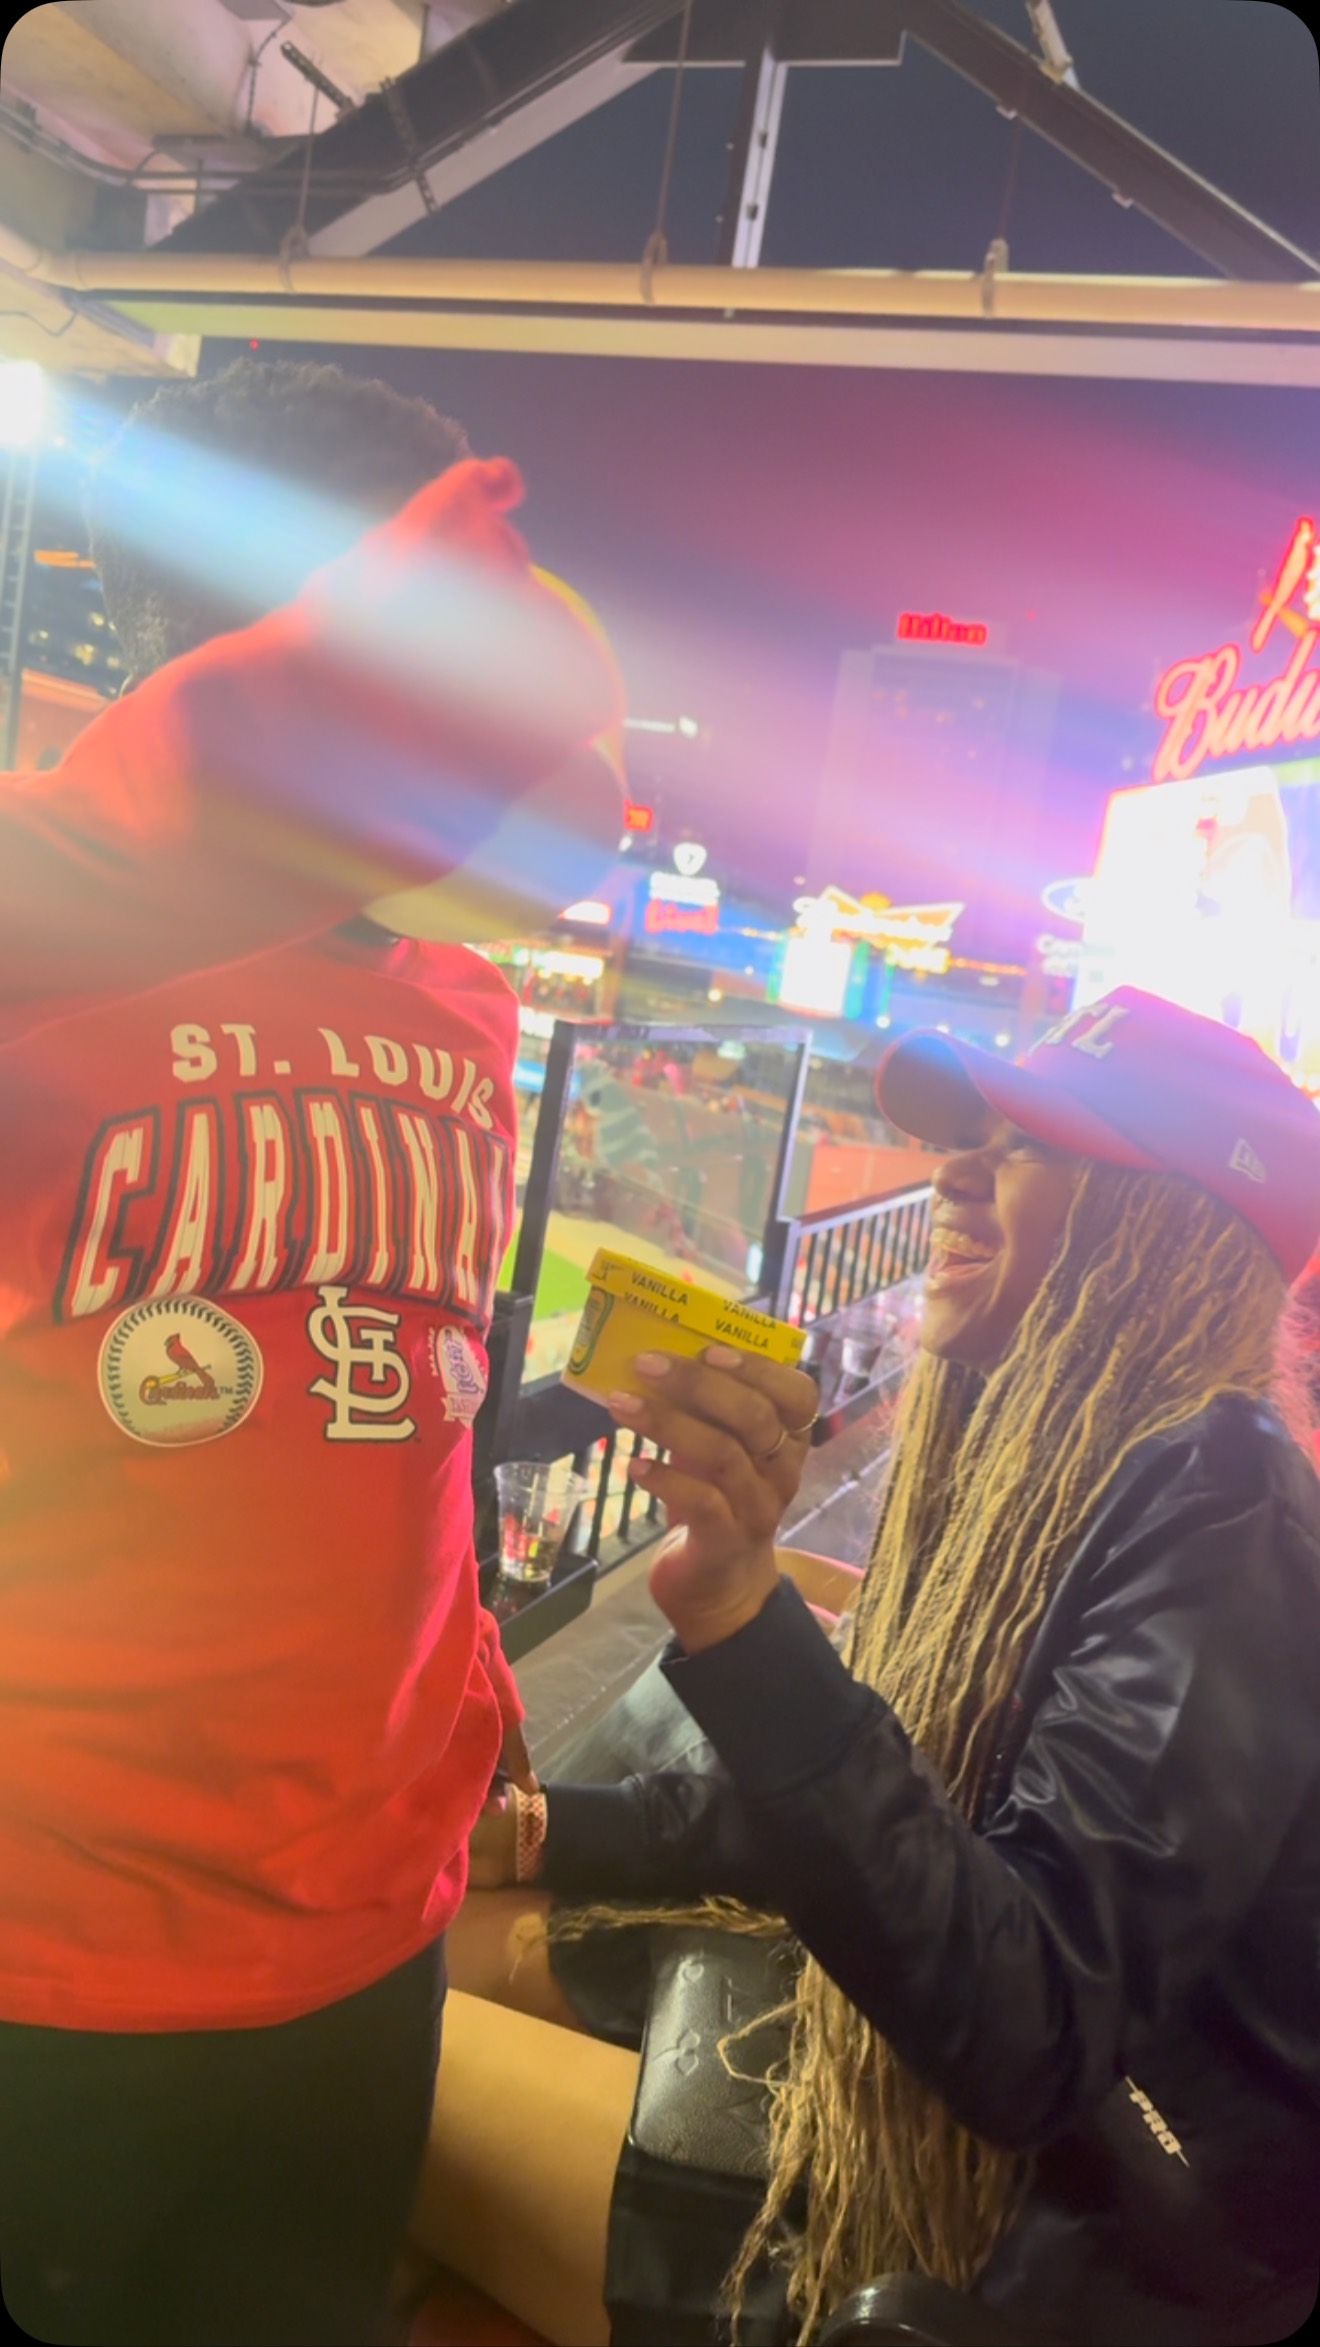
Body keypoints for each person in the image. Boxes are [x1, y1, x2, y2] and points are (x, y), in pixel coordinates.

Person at [0, 357, 623, 2346]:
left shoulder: (463, 997)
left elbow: (398, 1383)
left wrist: (468, 1706)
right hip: (52, 1957)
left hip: (369, 1936)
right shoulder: (46, 901)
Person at [421, 986, 1320, 2347]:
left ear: (1168, 1227)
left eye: (1023, 1148)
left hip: (1032, 2241)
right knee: (415, 1920)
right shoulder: (1051, 1453)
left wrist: (741, 1615)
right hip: (859, 2060)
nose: (953, 1173)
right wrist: (553, 1832)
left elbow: (1032, 2034)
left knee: (341, 2030)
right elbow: (889, 1817)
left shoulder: (1229, 1512)